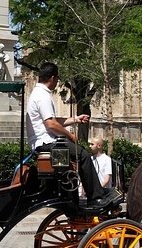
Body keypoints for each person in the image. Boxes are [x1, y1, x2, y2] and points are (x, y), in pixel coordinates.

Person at [26, 62, 105, 205]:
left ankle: (75, 196)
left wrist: (75, 119)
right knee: (84, 156)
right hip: (45, 143)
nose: (57, 83)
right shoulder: (42, 96)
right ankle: (96, 197)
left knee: (78, 157)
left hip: (44, 141)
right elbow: (51, 124)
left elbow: (53, 121)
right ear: (52, 78)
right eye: (57, 80)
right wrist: (70, 136)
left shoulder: (38, 93)